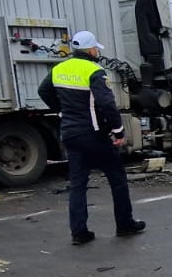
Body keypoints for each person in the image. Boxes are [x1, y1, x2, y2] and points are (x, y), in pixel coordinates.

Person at [38, 30, 145, 244]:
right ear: (89, 49)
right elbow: (107, 104)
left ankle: (79, 232)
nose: (97, 51)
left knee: (78, 184)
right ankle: (125, 224)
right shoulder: (94, 71)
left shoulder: (59, 69)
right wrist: (118, 131)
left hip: (70, 133)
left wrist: (61, 110)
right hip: (94, 134)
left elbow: (44, 91)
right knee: (117, 178)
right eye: (96, 47)